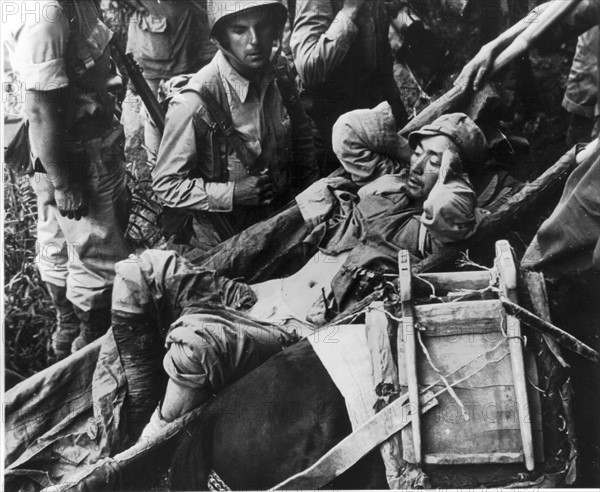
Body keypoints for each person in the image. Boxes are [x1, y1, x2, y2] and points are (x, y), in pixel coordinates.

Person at [114, 112, 487, 441]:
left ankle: (150, 447)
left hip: (294, 330)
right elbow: (349, 131)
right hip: (256, 297)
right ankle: (141, 409)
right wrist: (416, 153)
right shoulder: (386, 182)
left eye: (434, 161)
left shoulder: (432, 227)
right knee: (139, 272)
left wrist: (447, 171)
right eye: (419, 152)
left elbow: (451, 214)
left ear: (456, 174)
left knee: (195, 345)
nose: (419, 166)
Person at [5, 0, 131, 360]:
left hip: (49, 150)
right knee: (100, 256)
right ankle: (89, 342)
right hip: (76, 156)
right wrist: (63, 183)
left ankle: (67, 330)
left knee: (55, 240)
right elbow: (40, 108)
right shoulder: (46, 15)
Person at [152, 0, 319, 255]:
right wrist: (232, 193)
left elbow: (303, 138)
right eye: (239, 30)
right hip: (229, 242)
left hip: (288, 221)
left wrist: (313, 199)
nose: (254, 40)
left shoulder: (279, 70)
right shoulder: (194, 102)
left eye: (262, 26)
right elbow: (166, 185)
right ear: (222, 38)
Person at [290, 0, 408, 173]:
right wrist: (350, 12)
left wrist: (394, 100)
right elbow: (308, 68)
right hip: (330, 126)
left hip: (367, 113)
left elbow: (380, 50)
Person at [119, 0, 217, 167]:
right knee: (154, 112)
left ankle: (183, 169)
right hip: (156, 49)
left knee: (189, 114)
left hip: (192, 44)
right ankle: (157, 170)